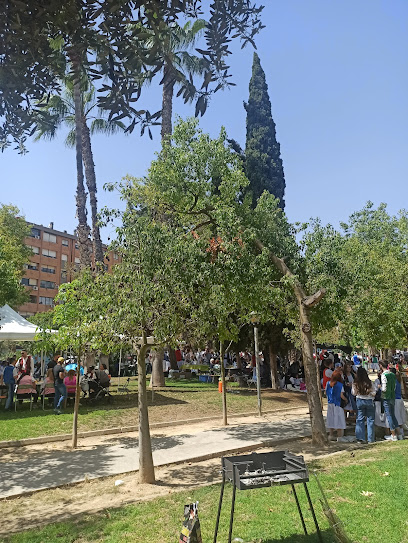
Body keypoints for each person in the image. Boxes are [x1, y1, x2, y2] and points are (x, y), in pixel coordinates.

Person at [352, 367, 376, 443]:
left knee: (360, 419)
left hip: (360, 400)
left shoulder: (355, 383)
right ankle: (370, 438)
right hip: (369, 401)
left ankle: (360, 438)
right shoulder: (369, 382)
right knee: (370, 420)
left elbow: (353, 393)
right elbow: (374, 392)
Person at [380, 361, 401, 441]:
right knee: (393, 414)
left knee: (389, 415)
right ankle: (399, 434)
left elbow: (384, 388)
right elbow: (394, 386)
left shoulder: (384, 375)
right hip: (392, 396)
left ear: (381, 366)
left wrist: (380, 388)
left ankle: (393, 434)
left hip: (386, 397)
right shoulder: (392, 374)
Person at [326, 370, 347, 441]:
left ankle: (331, 435)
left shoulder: (328, 383)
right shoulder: (340, 385)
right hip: (337, 404)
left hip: (330, 403)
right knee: (339, 420)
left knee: (331, 419)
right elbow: (341, 395)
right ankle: (340, 436)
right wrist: (346, 399)